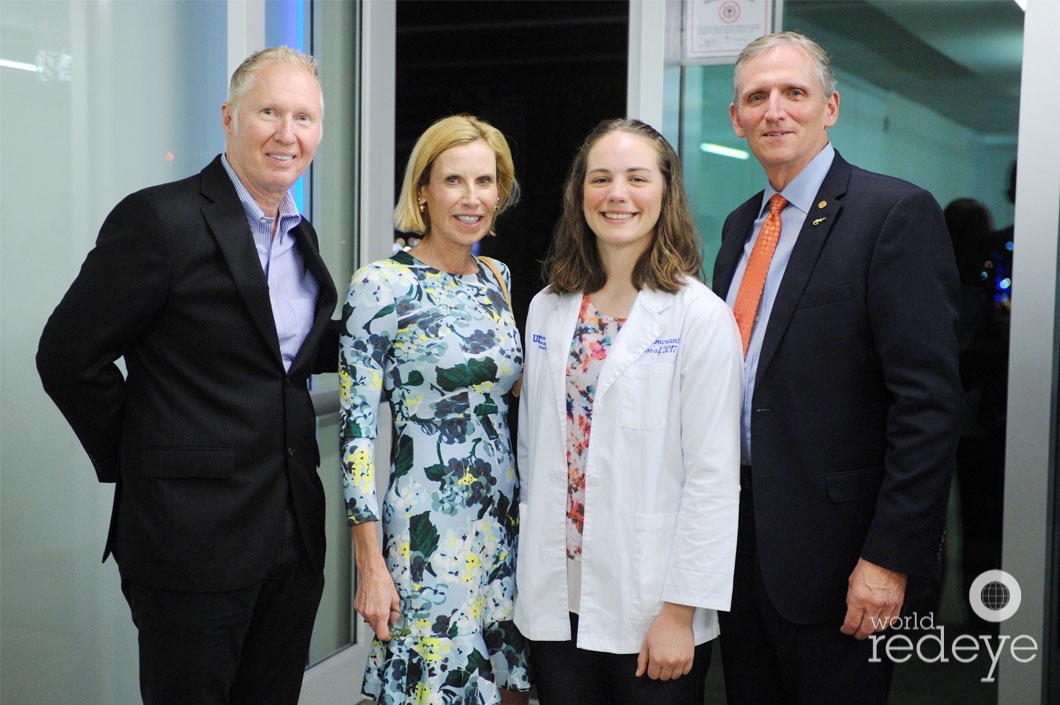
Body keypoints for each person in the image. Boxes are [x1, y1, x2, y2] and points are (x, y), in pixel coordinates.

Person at [36, 47, 337, 705]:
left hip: (292, 536)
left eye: (305, 117)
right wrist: (146, 457)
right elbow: (66, 355)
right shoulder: (161, 219)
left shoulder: (299, 236)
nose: (288, 133)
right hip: (190, 541)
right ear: (230, 118)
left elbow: (279, 355)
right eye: (270, 112)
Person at [712, 31, 963, 704]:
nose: (775, 110)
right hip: (739, 554)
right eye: (757, 97)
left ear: (831, 107)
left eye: (795, 92)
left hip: (842, 563)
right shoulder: (740, 226)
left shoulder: (892, 214)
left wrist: (889, 557)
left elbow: (929, 404)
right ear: (735, 119)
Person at [514, 118, 743, 705]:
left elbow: (714, 478)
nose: (617, 195)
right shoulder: (548, 307)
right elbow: (534, 448)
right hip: (554, 597)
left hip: (651, 602)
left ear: (665, 195)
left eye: (637, 178)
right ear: (579, 194)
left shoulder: (699, 316)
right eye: (601, 178)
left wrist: (679, 612)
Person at [340, 114, 531, 705]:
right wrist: (370, 565)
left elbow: (510, 393)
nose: (471, 198)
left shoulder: (497, 278)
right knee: (434, 687)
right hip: (427, 528)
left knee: (505, 689)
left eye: (485, 181)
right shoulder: (380, 284)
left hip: (501, 521)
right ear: (422, 190)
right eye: (453, 180)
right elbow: (355, 434)